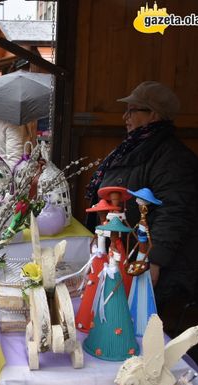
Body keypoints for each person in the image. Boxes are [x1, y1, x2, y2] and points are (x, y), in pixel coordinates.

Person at [85, 81, 198, 340]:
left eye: (132, 110)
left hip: (155, 267)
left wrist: (154, 260)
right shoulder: (134, 148)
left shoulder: (171, 158)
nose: (125, 117)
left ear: (154, 115)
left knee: (135, 331)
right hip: (124, 253)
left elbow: (175, 212)